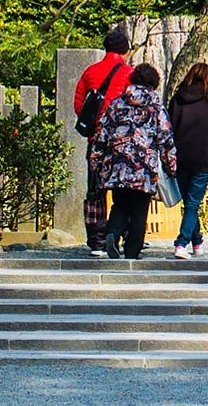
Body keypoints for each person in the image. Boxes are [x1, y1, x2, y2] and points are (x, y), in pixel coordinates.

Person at [93, 63, 177, 260]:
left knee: (120, 205)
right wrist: (171, 166)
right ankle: (132, 251)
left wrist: (97, 162)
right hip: (144, 168)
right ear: (154, 83)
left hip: (118, 165)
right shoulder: (156, 108)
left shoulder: (116, 104)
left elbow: (102, 136)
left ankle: (112, 235)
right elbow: (166, 139)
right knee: (139, 211)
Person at [72, 26, 134, 257]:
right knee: (123, 188)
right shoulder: (129, 74)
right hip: (121, 141)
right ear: (125, 51)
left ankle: (96, 241)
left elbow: (80, 105)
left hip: (96, 138)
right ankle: (123, 235)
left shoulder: (90, 72)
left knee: (95, 190)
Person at [167, 62, 208, 259]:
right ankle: (181, 243)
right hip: (203, 158)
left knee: (189, 202)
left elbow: (170, 125)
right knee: (192, 204)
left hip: (180, 156)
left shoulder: (177, 99)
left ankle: (197, 241)